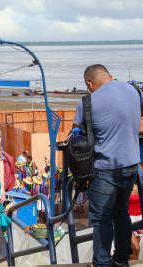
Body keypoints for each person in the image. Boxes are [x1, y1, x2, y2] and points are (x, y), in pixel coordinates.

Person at [73, 64, 141, 267]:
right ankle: (121, 260)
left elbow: (75, 137)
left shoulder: (87, 102)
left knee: (101, 218)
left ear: (89, 84)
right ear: (110, 77)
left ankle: (101, 263)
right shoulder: (134, 91)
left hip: (105, 168)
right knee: (121, 213)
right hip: (131, 165)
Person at [128, 182, 142, 260]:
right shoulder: (127, 185)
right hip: (130, 219)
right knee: (136, 248)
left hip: (140, 219)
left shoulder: (141, 184)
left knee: (135, 252)